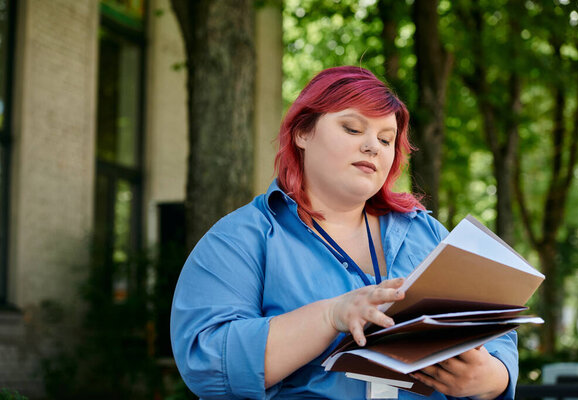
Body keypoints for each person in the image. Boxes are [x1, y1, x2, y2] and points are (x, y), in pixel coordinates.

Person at [170, 66, 518, 399]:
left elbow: (494, 333)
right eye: (352, 129)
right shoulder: (241, 237)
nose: (372, 147)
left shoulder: (426, 232)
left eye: (386, 139)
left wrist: (491, 379)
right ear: (302, 132)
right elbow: (207, 363)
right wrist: (329, 316)